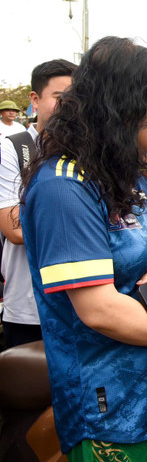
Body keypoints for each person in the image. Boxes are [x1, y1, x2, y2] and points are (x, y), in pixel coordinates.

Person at [18, 36, 147, 461]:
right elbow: (99, 308)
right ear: (128, 106)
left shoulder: (129, 173)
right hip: (108, 402)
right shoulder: (65, 187)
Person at [0, 58, 76, 348]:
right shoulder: (14, 149)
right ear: (35, 99)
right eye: (60, 97)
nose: (69, 106)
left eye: (76, 98)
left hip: (82, 305)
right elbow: (14, 229)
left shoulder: (90, 154)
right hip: (27, 306)